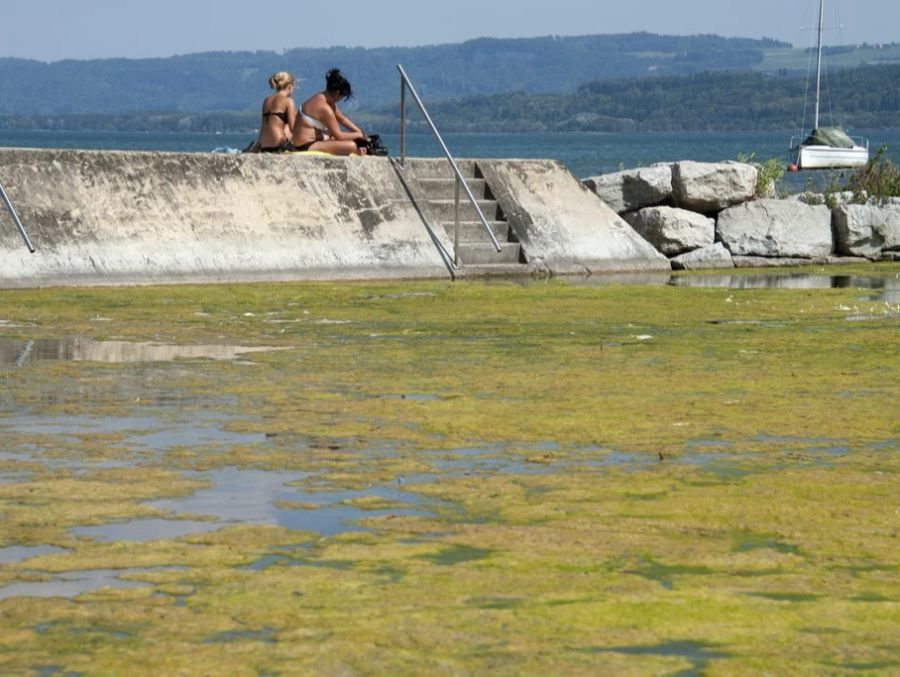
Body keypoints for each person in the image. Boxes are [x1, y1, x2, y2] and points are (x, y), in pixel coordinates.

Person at [291, 69, 368, 155]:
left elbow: (343, 119)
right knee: (352, 145)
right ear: (337, 93)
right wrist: (359, 135)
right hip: (306, 145)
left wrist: (361, 133)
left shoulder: (321, 97)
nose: (340, 100)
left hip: (308, 140)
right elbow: (339, 136)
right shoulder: (325, 108)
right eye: (341, 97)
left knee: (338, 137)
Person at [257, 71, 298, 153]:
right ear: (290, 86)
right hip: (278, 144)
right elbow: (293, 128)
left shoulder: (266, 100)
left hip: (262, 145)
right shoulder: (288, 101)